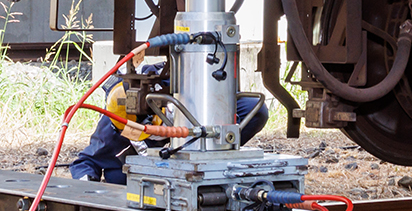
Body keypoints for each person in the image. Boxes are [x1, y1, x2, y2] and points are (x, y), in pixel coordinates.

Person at [69, 64, 270, 184]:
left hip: (201, 153)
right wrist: (88, 186)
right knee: (116, 175)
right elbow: (85, 163)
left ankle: (215, 159)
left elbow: (253, 109)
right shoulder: (113, 124)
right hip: (155, 176)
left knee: (254, 111)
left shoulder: (181, 86)